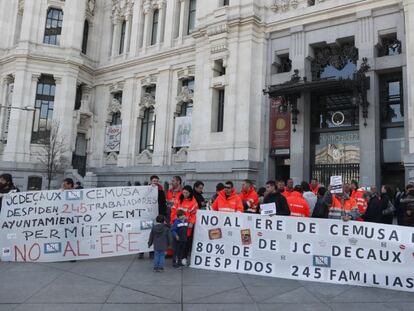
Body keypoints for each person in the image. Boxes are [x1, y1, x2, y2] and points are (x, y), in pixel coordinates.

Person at [139, 175, 167, 260]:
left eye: (157, 181)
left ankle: (151, 252)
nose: (155, 182)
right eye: (154, 181)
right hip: (145, 217)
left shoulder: (161, 192)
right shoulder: (145, 190)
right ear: (151, 181)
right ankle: (141, 251)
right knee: (144, 234)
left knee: (153, 234)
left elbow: (163, 204)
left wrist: (162, 217)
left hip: (155, 217)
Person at [170, 185, 198, 265]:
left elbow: (194, 214)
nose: (184, 194)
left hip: (186, 226)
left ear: (190, 193)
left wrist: (192, 223)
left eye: (186, 193)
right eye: (183, 192)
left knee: (185, 243)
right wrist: (172, 221)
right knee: (176, 242)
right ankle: (176, 258)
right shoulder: (178, 199)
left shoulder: (193, 202)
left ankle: (184, 258)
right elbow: (173, 210)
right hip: (177, 224)